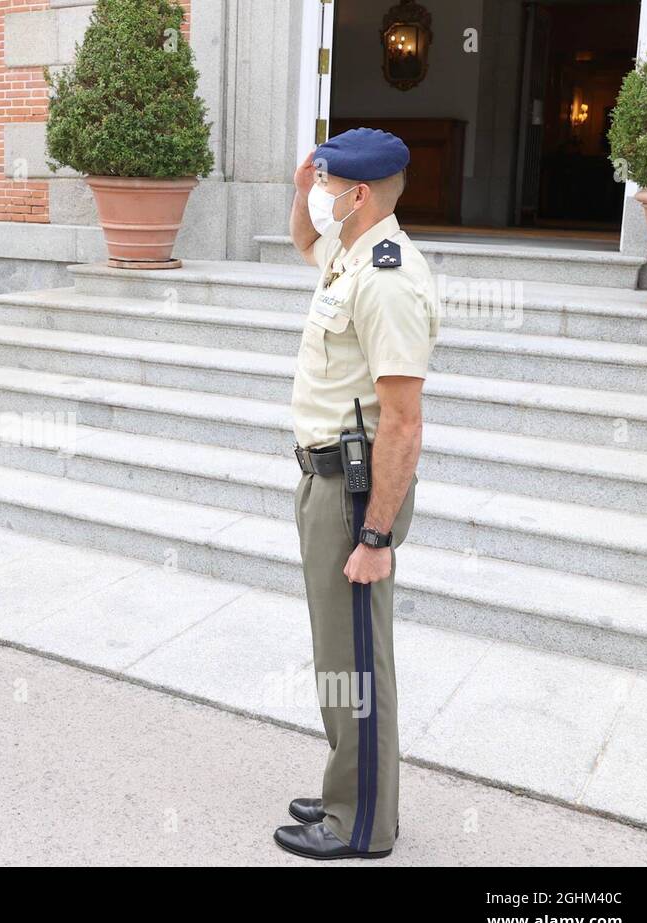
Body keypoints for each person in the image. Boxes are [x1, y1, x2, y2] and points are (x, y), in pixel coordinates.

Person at [276, 128, 438, 859]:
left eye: (328, 183)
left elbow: (403, 422)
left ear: (360, 193)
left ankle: (361, 822)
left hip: (355, 491)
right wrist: (301, 186)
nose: (319, 194)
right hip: (325, 479)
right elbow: (302, 240)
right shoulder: (351, 253)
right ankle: (350, 786)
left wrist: (376, 538)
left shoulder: (389, 277)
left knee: (356, 662)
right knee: (336, 653)